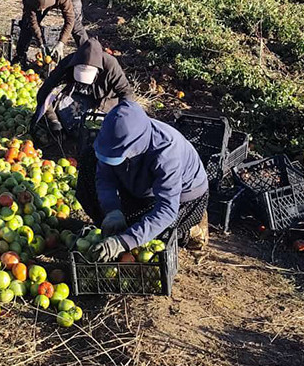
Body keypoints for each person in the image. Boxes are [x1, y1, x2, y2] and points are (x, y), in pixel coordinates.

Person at [81, 100, 210, 256]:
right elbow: (104, 175)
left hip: (181, 195)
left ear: (134, 146)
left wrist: (124, 241)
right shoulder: (112, 139)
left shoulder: (166, 152)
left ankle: (191, 229)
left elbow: (166, 208)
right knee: (90, 159)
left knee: (156, 235)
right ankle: (120, 226)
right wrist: (112, 210)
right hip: (138, 182)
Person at [30, 38, 134, 137]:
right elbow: (46, 91)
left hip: (102, 101)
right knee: (69, 121)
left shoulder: (110, 66)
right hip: (78, 97)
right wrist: (53, 120)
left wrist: (122, 117)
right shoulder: (68, 63)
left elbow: (125, 92)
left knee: (97, 128)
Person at [14, 0, 88, 64]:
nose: (43, 12)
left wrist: (61, 42)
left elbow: (69, 19)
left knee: (75, 23)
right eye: (40, 10)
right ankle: (20, 55)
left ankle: (88, 55)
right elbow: (32, 21)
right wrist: (41, 43)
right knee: (27, 23)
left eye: (45, 9)